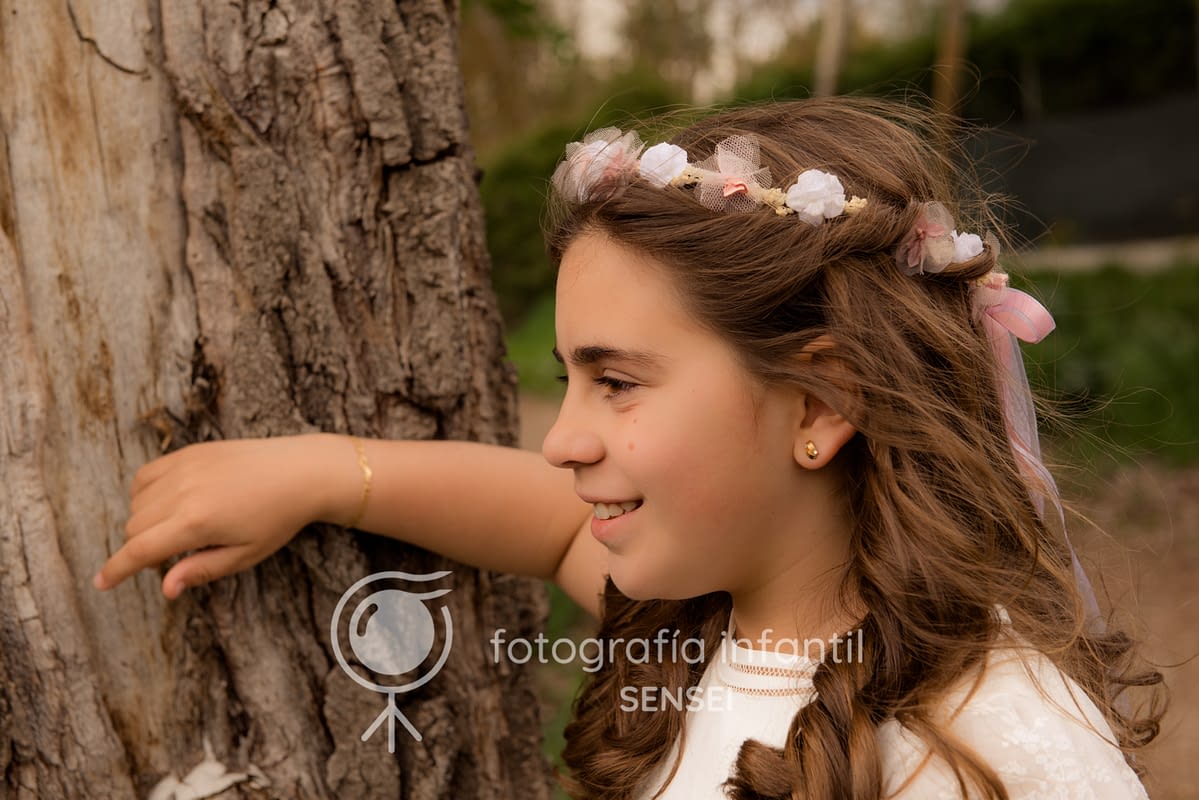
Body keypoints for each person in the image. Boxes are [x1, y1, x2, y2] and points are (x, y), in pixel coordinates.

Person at [94, 97, 1163, 799]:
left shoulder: (995, 741)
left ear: (817, 401)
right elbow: (543, 513)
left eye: (615, 380)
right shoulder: (692, 626)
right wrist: (323, 470)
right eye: (567, 378)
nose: (561, 438)